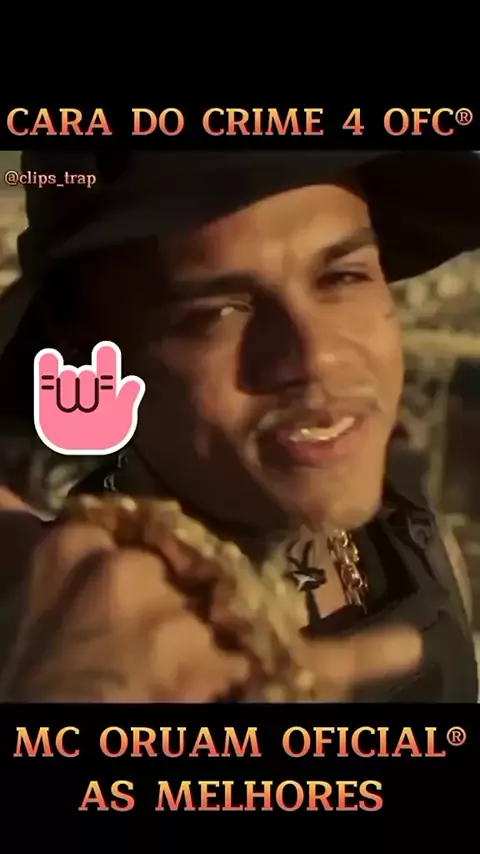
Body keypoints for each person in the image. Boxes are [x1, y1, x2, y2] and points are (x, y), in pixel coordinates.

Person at [0, 149, 478, 702]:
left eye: (343, 276)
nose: (315, 357)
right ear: (93, 355)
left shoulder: (405, 534)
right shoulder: (53, 633)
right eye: (216, 313)